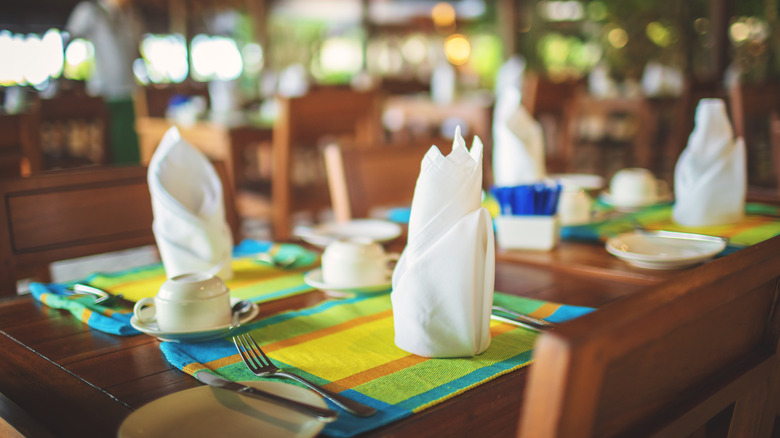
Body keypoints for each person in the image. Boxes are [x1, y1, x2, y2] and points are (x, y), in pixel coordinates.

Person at [65, 0, 144, 164]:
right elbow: (68, 38)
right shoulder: (90, 12)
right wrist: (64, 75)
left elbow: (138, 52)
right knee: (107, 153)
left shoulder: (132, 15)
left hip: (131, 94)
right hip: (104, 95)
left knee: (132, 152)